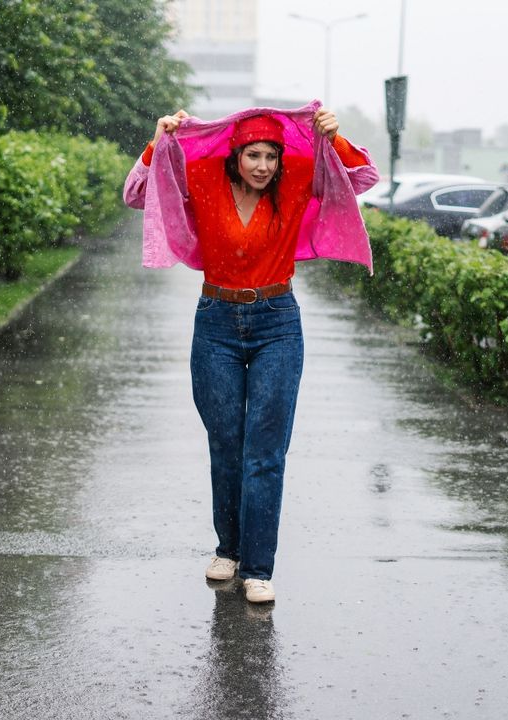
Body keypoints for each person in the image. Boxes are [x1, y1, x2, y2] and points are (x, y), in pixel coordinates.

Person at [123, 103, 378, 603]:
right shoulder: (200, 177)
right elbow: (136, 194)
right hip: (215, 323)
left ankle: (258, 568)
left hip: (277, 324)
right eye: (252, 155)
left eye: (270, 156)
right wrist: (158, 140)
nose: (262, 166)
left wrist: (336, 138)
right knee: (226, 444)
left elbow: (362, 178)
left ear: (282, 160)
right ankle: (229, 549)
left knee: (264, 451)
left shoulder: (299, 179)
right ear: (234, 155)